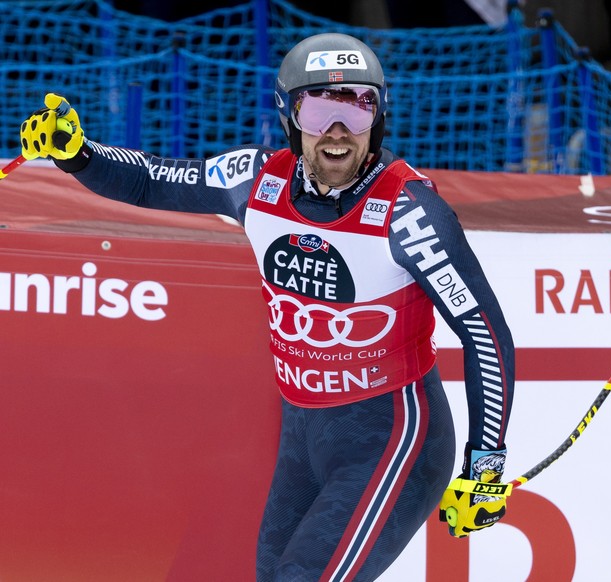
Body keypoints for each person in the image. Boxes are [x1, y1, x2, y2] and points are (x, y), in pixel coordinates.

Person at [19, 32, 515, 581]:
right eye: (320, 109)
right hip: (304, 434)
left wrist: (486, 462)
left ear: (378, 117)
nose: (337, 131)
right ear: (289, 114)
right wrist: (78, 155)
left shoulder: (408, 213)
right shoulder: (256, 180)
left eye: (357, 108)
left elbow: (484, 332)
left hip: (395, 435)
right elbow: (151, 181)